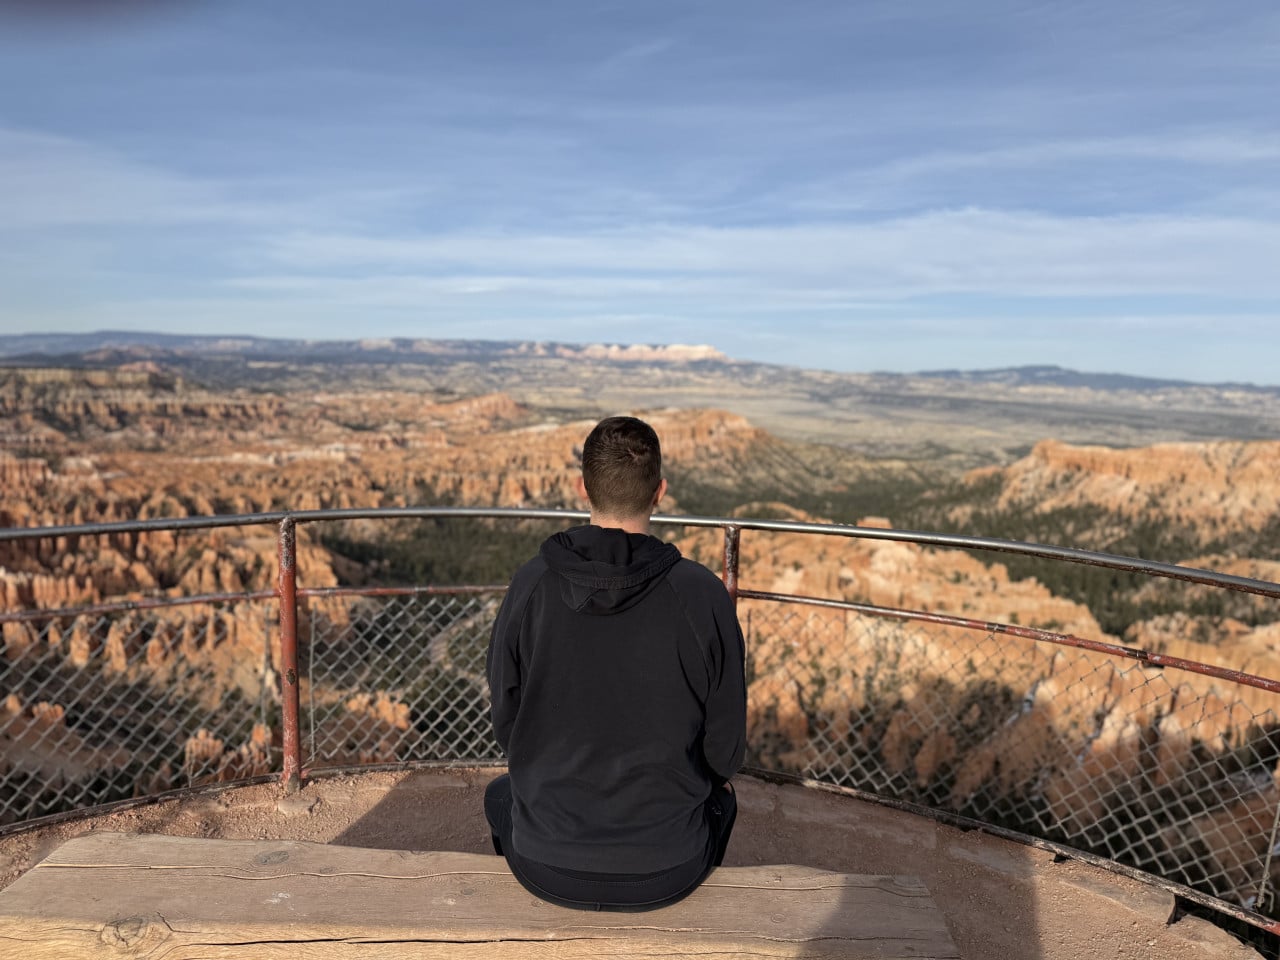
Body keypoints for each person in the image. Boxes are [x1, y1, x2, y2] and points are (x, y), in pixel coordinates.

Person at [484, 415, 747, 911]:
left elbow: (507, 722)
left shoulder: (530, 585)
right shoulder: (702, 595)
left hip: (544, 861)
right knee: (724, 801)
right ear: (660, 491)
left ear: (582, 487)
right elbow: (725, 753)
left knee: (500, 795)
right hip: (669, 866)